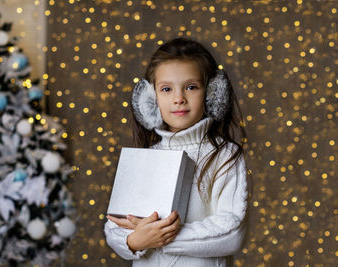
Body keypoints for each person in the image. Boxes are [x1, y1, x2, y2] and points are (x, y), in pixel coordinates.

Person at [103, 37, 250, 267]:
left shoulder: (226, 156)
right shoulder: (146, 159)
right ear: (150, 99)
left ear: (212, 94)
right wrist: (134, 240)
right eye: (166, 89)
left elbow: (232, 231)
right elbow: (114, 228)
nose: (179, 98)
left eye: (191, 87)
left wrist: (156, 237)